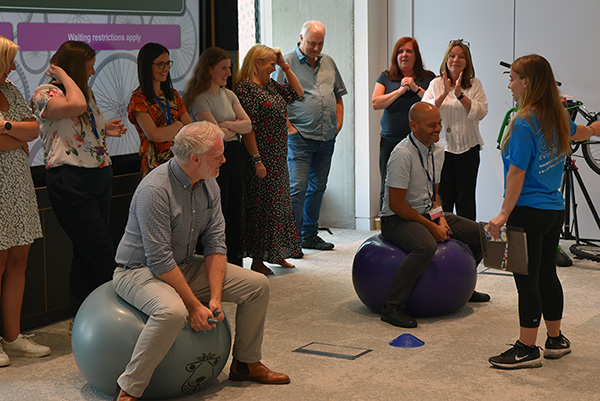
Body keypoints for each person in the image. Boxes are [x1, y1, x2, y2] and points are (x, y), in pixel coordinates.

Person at [112, 122, 289, 401]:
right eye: (218, 155)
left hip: (181, 264)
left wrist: (215, 298)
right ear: (195, 159)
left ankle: (245, 364)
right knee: (172, 313)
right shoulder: (155, 191)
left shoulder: (209, 184)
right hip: (138, 271)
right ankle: (129, 390)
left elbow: (216, 244)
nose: (224, 159)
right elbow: (158, 260)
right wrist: (194, 305)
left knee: (256, 286)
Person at [487, 55, 600, 369]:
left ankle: (527, 347)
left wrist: (502, 214)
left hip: (527, 211)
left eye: (513, 78)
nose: (510, 85)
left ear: (528, 82)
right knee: (547, 275)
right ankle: (555, 339)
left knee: (527, 280)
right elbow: (583, 132)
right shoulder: (557, 116)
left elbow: (516, 174)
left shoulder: (524, 121)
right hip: (554, 210)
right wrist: (595, 128)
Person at [31, 41, 126, 317]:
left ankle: (83, 316)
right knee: (101, 251)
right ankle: (110, 313)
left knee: (86, 251)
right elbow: (75, 106)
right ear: (72, 68)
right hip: (70, 180)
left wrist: (104, 129)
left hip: (99, 174)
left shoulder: (84, 93)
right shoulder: (45, 93)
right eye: (88, 67)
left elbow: (78, 127)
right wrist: (62, 76)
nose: (93, 71)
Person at [379, 102, 489, 329]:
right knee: (426, 247)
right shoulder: (402, 154)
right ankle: (392, 307)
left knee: (480, 234)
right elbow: (397, 205)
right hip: (396, 219)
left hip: (425, 213)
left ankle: (463, 288)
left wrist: (441, 219)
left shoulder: (437, 151)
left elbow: (434, 193)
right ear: (413, 125)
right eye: (431, 125)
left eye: (439, 123)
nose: (438, 128)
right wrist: (432, 228)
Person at [273, 20, 347, 252]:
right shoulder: (285, 63)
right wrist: (289, 128)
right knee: (297, 188)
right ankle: (291, 240)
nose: (316, 48)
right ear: (301, 38)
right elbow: (275, 100)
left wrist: (339, 121)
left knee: (318, 187)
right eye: (312, 43)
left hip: (326, 137)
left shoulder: (329, 62)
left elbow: (337, 96)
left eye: (320, 43)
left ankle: (309, 235)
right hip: (299, 137)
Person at [0, 35, 49, 366]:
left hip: (18, 185)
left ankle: (13, 337)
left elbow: (34, 130)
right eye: (10, 60)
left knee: (20, 259)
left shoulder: (10, 91)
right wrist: (15, 137)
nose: (15, 66)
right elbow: (21, 136)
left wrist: (6, 127)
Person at [236, 44, 304, 275]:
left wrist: (285, 65)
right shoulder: (247, 89)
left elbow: (298, 93)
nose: (274, 68)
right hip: (261, 156)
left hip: (278, 154)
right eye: (271, 64)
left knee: (279, 207)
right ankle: (257, 260)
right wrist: (256, 159)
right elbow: (249, 129)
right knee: (262, 209)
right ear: (257, 63)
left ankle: (277, 253)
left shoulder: (271, 85)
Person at [183, 47, 252, 267]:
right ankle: (214, 263)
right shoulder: (199, 98)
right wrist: (232, 128)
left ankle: (234, 263)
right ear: (209, 69)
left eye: (229, 68)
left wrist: (227, 125)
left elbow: (248, 125)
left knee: (234, 208)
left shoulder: (229, 95)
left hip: (234, 155)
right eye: (223, 68)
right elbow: (215, 134)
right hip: (212, 158)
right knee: (216, 209)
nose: (228, 73)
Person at [422, 39, 488, 220]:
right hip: (441, 151)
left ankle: (467, 243)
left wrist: (460, 95)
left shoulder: (475, 84)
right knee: (441, 199)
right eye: (452, 56)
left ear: (467, 62)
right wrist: (444, 93)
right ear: (446, 59)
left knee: (466, 200)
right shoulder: (436, 84)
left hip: (468, 149)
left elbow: (481, 111)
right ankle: (443, 241)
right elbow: (424, 111)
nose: (456, 60)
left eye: (461, 57)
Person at [372, 37, 435, 209]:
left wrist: (415, 88)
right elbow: (376, 103)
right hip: (390, 140)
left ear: (416, 56)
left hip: (419, 142)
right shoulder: (386, 77)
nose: (404, 55)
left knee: (420, 186)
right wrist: (400, 91)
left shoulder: (428, 78)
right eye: (400, 51)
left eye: (409, 51)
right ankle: (387, 225)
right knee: (388, 184)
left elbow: (435, 103)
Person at [128, 42, 192, 177]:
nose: (166, 68)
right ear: (147, 66)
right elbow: (154, 135)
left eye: (168, 63)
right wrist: (178, 125)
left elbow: (189, 127)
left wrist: (170, 131)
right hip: (155, 167)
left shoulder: (172, 95)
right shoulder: (139, 99)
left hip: (180, 162)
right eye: (160, 64)